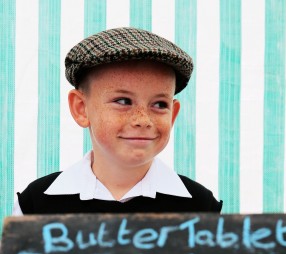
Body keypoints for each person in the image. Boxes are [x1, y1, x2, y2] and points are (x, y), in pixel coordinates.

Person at [12, 27, 222, 215]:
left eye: (159, 104)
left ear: (173, 114)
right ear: (81, 108)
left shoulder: (202, 208)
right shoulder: (35, 205)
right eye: (123, 101)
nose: (143, 120)